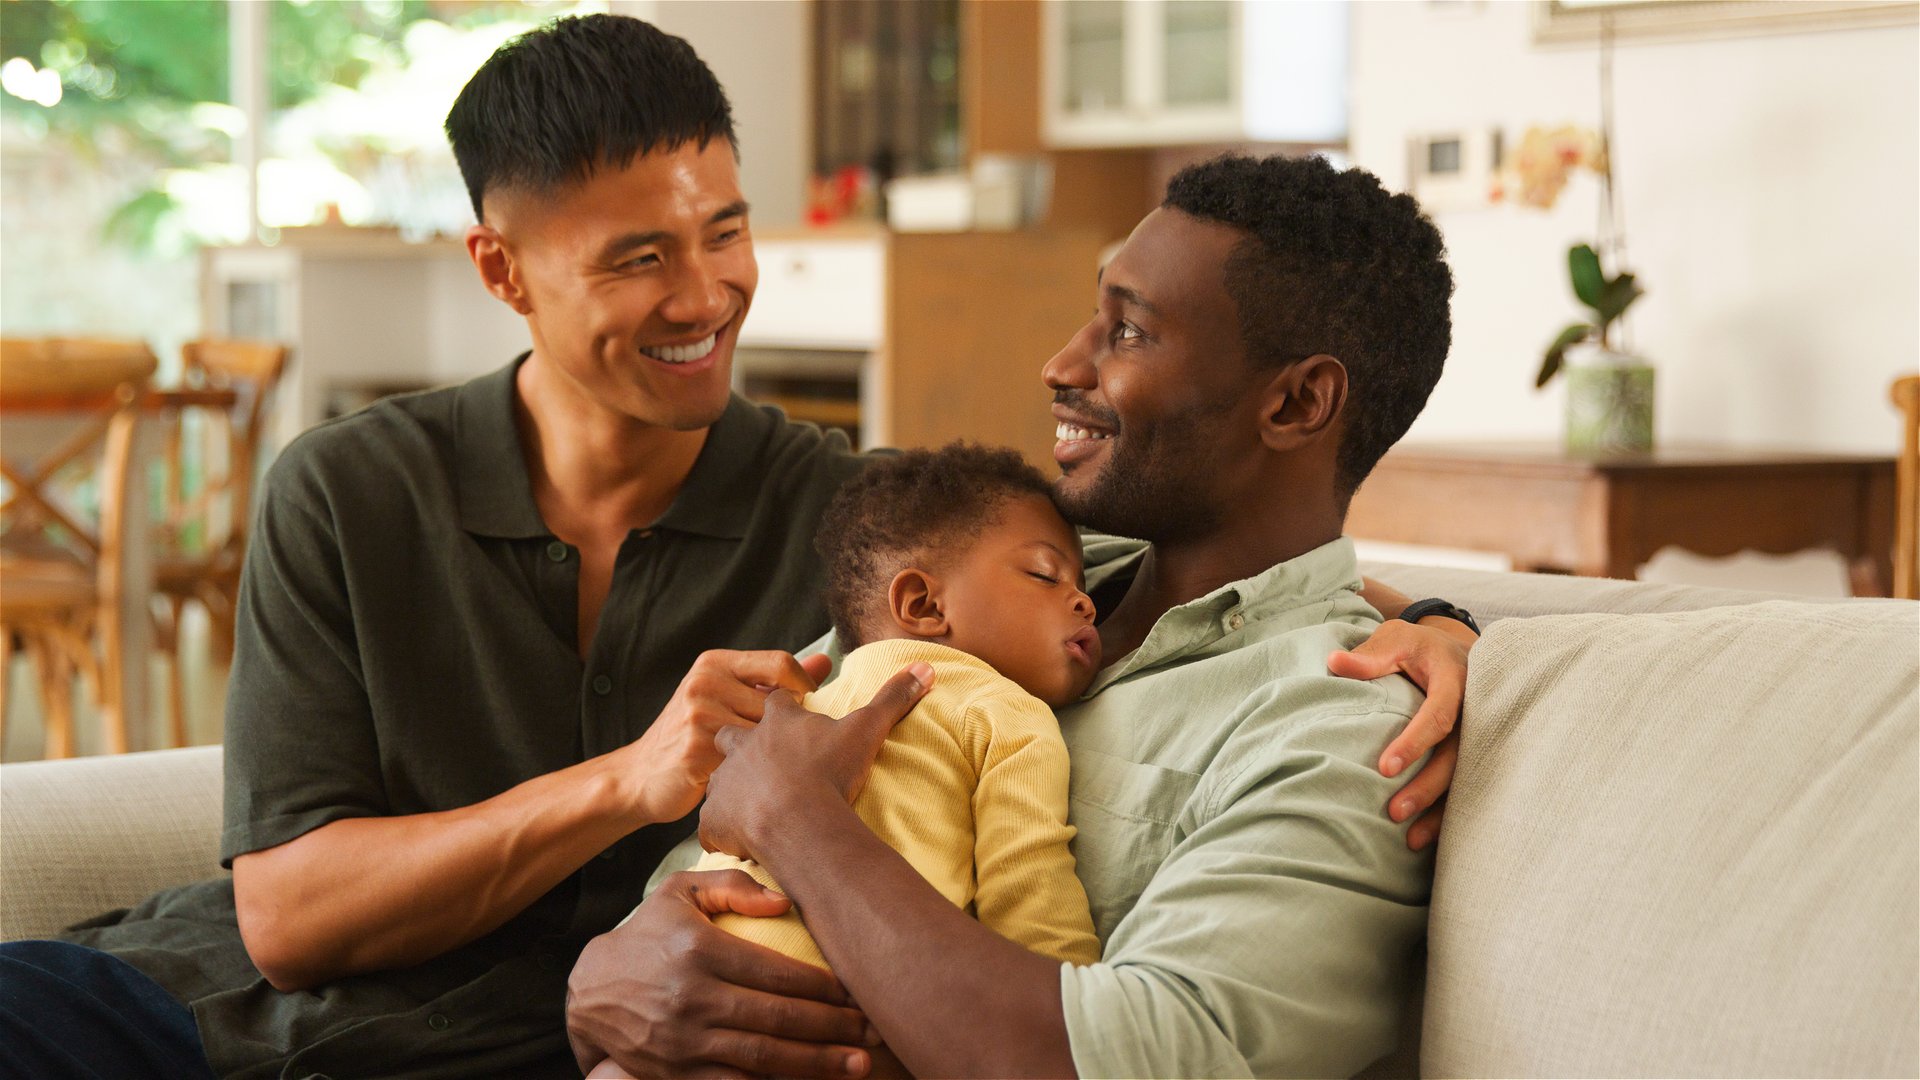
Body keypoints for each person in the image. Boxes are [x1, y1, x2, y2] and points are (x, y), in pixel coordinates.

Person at [0, 16, 1468, 1079]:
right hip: (194, 1014)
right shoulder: (351, 489)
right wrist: (628, 811)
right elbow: (288, 914)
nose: (704, 294)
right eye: (637, 257)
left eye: (725, 231)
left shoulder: (886, 535)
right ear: (502, 271)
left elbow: (1246, 587)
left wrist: (1457, 627)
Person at [568, 150, 1462, 1079]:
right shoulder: (982, 578)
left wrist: (800, 821)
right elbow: (703, 858)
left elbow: (1151, 1057)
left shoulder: (1340, 720)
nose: (1062, 363)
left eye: (1129, 334)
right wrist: (616, 973)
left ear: (1297, 401)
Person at [589, 442, 1105, 1080]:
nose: (1083, 602)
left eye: (1081, 586)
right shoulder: (1007, 715)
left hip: (687, 1008)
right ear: (921, 605)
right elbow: (1031, 897)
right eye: (1045, 575)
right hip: (828, 1032)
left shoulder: (797, 707)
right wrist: (1083, 1023)